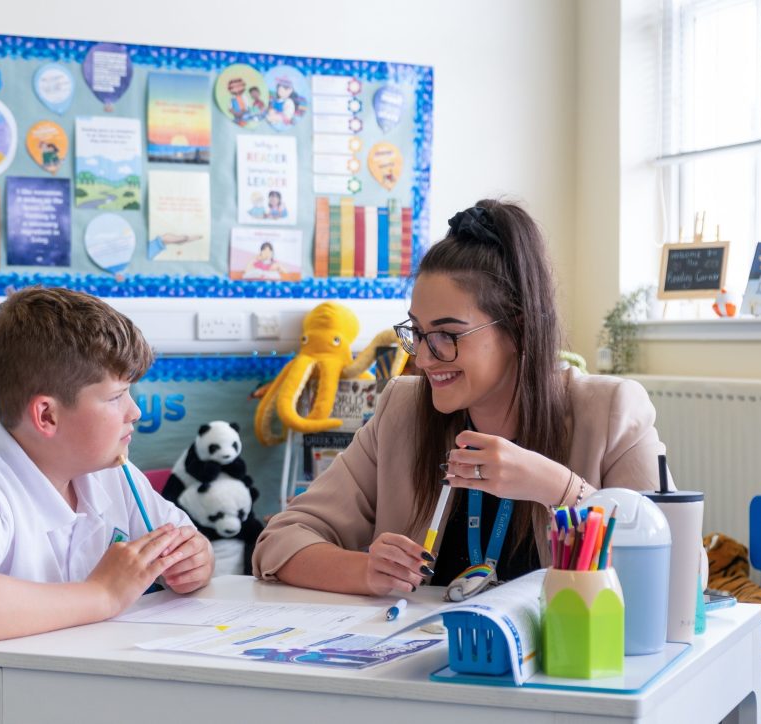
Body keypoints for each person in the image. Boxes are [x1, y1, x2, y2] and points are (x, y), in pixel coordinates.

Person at [253, 199, 668, 596]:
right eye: (416, 332)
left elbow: (676, 576)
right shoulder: (402, 411)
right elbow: (281, 539)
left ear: (518, 330)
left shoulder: (611, 412)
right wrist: (366, 571)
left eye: (447, 335)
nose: (425, 356)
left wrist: (562, 491)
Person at [0, 287, 214, 724]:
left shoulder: (114, 474)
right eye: (116, 397)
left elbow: (184, 541)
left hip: (57, 700)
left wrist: (194, 560)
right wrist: (102, 594)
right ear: (47, 416)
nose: (134, 411)